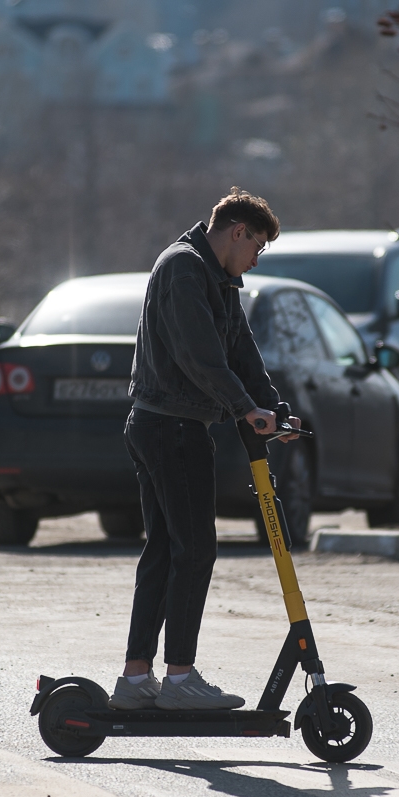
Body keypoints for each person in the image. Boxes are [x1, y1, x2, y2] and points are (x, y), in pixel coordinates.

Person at [110, 188, 301, 712]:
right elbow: (200, 356)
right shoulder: (184, 269)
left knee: (168, 550)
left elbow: (241, 353)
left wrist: (273, 410)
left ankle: (135, 679)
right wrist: (244, 410)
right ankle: (179, 679)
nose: (257, 259)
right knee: (194, 550)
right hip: (169, 427)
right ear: (237, 231)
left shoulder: (220, 280)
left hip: (171, 426)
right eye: (257, 245)